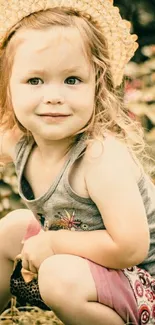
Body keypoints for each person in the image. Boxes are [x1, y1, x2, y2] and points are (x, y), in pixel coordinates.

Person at [0, 0, 155, 324]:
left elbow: (131, 248)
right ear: (8, 89)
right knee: (10, 229)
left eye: (72, 80)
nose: (54, 95)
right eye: (34, 81)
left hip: (145, 280)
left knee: (58, 275)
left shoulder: (100, 158)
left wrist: (53, 241)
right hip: (95, 268)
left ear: (97, 87)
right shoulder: (20, 140)